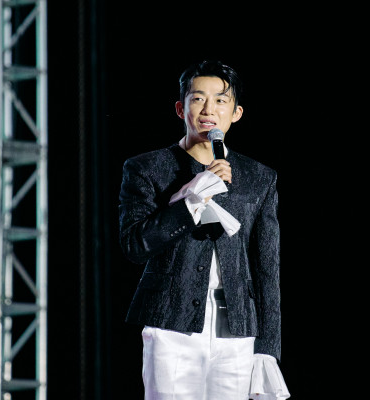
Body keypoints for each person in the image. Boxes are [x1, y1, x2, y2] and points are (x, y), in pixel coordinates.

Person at [118, 60, 289, 399]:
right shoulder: (147, 168)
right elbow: (135, 245)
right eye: (198, 99)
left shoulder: (259, 177)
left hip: (237, 329)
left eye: (220, 100)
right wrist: (192, 198)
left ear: (236, 113)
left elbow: (267, 267)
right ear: (181, 108)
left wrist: (268, 347)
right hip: (171, 324)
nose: (209, 109)